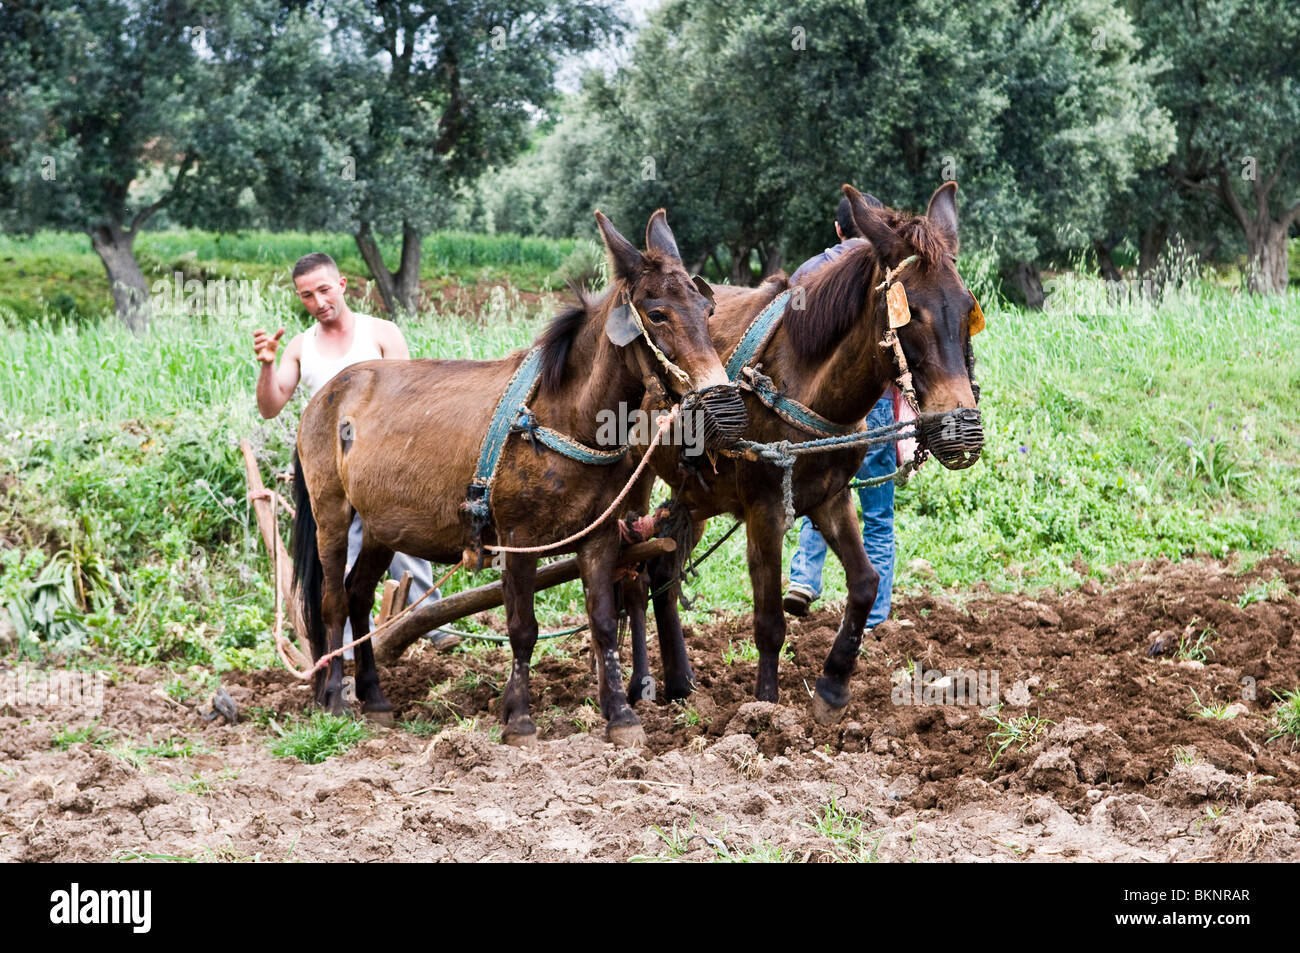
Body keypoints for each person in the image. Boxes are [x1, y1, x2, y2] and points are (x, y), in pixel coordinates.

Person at [252, 252, 459, 652]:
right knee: (335, 553)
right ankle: (343, 643)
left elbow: (408, 403)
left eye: (324, 289)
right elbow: (270, 406)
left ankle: (431, 622)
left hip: (382, 462)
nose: (318, 301)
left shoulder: (381, 333)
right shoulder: (301, 346)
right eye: (307, 295)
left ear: (342, 285)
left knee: (403, 538)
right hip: (328, 465)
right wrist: (266, 366)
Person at [782, 199, 911, 628]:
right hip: (874, 409)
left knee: (818, 491)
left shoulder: (807, 273)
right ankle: (874, 617)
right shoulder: (892, 278)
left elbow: (792, 341)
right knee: (876, 514)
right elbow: (902, 348)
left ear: (839, 229)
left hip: (817, 409)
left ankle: (803, 578)